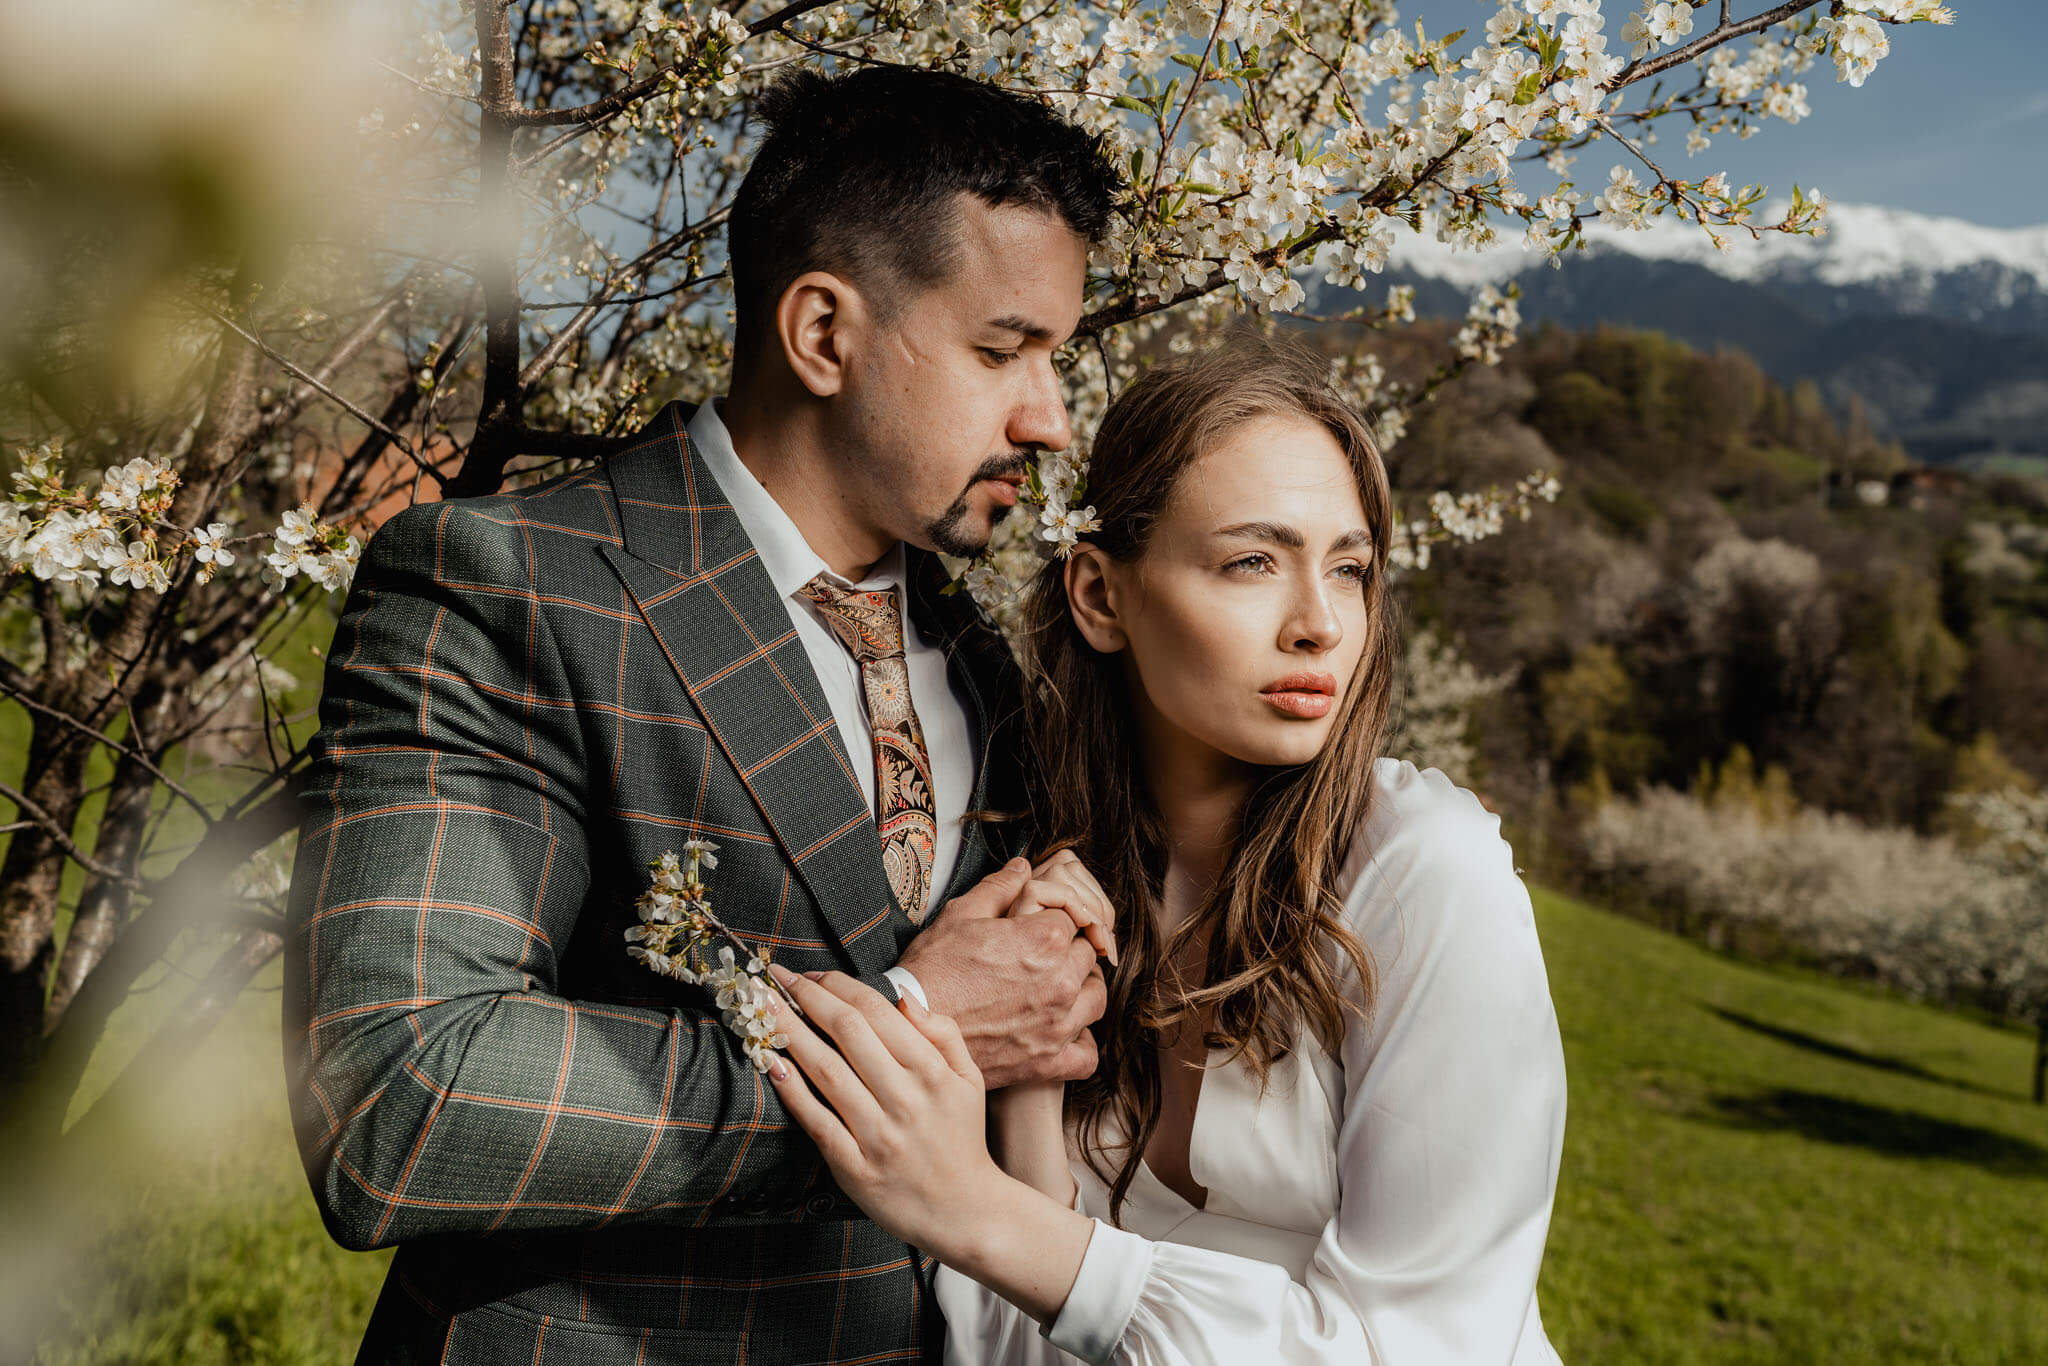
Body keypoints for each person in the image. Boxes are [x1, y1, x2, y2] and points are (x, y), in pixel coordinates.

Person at [282, 67, 1126, 1364]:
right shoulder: (513, 586)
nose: (1052, 419)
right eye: (1004, 350)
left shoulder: (986, 666)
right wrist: (909, 1021)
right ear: (824, 334)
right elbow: (401, 1094)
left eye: (1056, 358)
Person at [764, 339, 1570, 1364]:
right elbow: (1015, 1340)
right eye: (1251, 562)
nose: (1319, 624)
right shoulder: (1042, 872)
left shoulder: (1424, 874)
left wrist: (971, 1209)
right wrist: (1030, 1094)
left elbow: (1422, 1346)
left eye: (1350, 569)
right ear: (1100, 597)